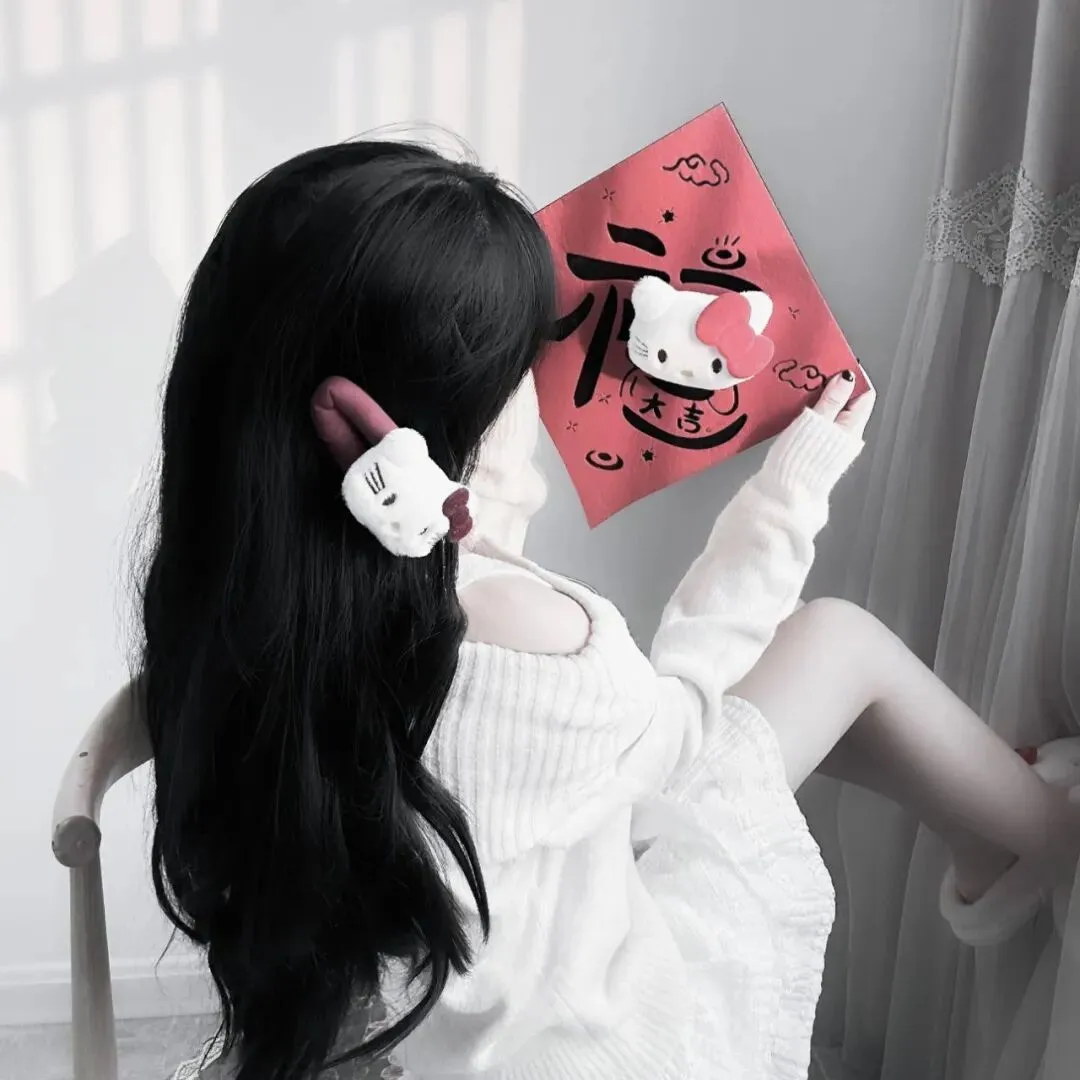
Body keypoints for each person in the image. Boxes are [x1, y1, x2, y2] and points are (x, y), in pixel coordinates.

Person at [141, 140, 1080, 1080]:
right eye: (520, 363)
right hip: (600, 1039)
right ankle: (1048, 832)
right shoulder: (528, 632)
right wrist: (791, 490)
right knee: (838, 643)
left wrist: (467, 495)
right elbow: (681, 729)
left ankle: (993, 835)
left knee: (809, 674)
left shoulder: (231, 585)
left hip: (455, 987)